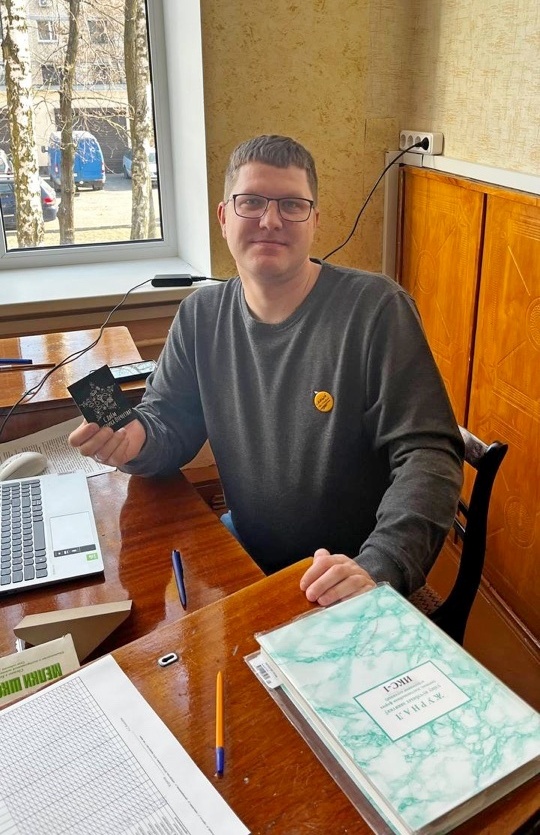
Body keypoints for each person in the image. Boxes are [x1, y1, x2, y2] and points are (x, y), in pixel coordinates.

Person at [69, 134, 463, 608]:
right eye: (251, 202)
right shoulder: (200, 316)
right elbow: (168, 420)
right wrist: (137, 440)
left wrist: (381, 564)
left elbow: (429, 454)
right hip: (249, 553)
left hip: (351, 572)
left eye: (292, 205)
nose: (271, 220)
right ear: (224, 217)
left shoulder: (376, 309)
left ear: (314, 221)